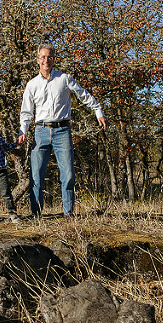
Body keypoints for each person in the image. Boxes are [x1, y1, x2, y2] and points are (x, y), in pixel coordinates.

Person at [17, 44, 108, 218]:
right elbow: (26, 112)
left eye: (50, 57)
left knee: (68, 173)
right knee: (36, 174)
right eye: (43, 57)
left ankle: (68, 213)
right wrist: (23, 131)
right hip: (41, 130)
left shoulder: (64, 78)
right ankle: (36, 214)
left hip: (62, 130)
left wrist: (98, 111)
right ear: (37, 60)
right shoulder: (32, 84)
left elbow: (83, 94)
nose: (46, 60)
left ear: (54, 60)